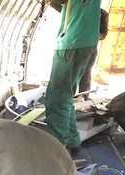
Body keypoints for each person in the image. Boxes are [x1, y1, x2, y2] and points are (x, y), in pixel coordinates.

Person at [45, 0, 101, 152]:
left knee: (56, 98)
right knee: (66, 95)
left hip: (71, 40)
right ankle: (73, 141)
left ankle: (58, 148)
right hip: (87, 41)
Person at [78, 8, 109, 94]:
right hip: (73, 46)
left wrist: (93, 35)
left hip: (90, 49)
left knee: (86, 74)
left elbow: (103, 34)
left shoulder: (103, 14)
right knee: (68, 74)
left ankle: (84, 97)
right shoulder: (79, 9)